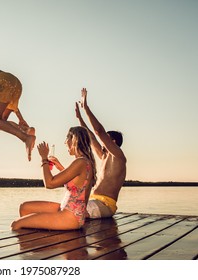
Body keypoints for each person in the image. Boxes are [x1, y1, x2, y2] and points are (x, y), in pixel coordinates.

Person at [11, 126, 96, 231]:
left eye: (67, 138)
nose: (65, 142)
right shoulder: (84, 162)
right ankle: (34, 241)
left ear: (74, 139)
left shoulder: (80, 162)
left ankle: (33, 243)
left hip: (70, 217)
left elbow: (49, 184)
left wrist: (44, 158)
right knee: (24, 208)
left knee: (16, 224)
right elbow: (75, 182)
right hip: (68, 211)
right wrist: (59, 166)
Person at [75, 88, 127, 218]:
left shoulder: (118, 156)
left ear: (113, 142)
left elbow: (99, 132)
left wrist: (86, 108)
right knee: (66, 207)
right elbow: (91, 135)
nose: (103, 141)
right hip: (93, 201)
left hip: (105, 205)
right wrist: (80, 118)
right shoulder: (104, 156)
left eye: (106, 139)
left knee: (70, 211)